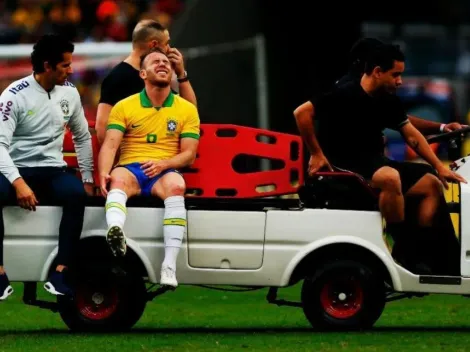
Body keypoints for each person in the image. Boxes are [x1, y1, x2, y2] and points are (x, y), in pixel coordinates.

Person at [293, 43, 466, 275]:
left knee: (431, 183)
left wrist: (438, 167)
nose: (400, 81)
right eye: (396, 74)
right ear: (377, 71)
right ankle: (396, 248)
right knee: (390, 177)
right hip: (344, 165)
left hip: (373, 162)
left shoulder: (387, 99)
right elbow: (301, 113)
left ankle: (419, 253)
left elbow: (412, 135)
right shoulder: (345, 93)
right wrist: (316, 153)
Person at [0, 34, 95, 300]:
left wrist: (87, 178)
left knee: (76, 195)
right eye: (65, 65)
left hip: (52, 170)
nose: (71, 70)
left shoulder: (70, 93)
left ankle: (60, 272)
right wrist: (19, 184)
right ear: (47, 65)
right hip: (17, 170)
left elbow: (82, 136)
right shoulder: (13, 96)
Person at [98, 48, 200, 288]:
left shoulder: (186, 109)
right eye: (155, 62)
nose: (163, 64)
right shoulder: (124, 106)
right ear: (142, 73)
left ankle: (169, 265)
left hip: (164, 170)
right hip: (131, 167)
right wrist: (103, 171)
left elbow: (189, 155)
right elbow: (111, 145)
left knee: (177, 186)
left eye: (166, 62)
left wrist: (164, 163)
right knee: (117, 179)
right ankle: (115, 230)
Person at [95, 19, 197, 145]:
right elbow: (102, 130)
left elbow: (191, 114)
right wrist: (123, 162)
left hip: (163, 155)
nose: (169, 49)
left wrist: (181, 74)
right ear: (154, 45)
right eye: (167, 43)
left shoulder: (156, 78)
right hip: (132, 159)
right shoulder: (117, 78)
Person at [337, 37, 466, 135]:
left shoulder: (374, 93)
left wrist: (442, 127)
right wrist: (318, 153)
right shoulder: (345, 90)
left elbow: (400, 119)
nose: (399, 82)